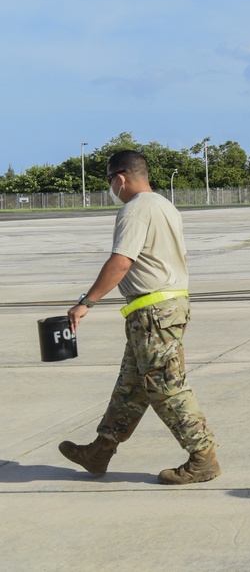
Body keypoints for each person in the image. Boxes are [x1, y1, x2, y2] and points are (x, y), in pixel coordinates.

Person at [58, 150, 220, 485]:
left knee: (165, 387)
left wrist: (86, 302)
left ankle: (203, 457)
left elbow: (121, 261)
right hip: (163, 307)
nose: (111, 188)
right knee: (131, 387)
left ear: (119, 178)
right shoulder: (164, 205)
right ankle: (99, 452)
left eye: (109, 181)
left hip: (153, 312)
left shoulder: (134, 210)